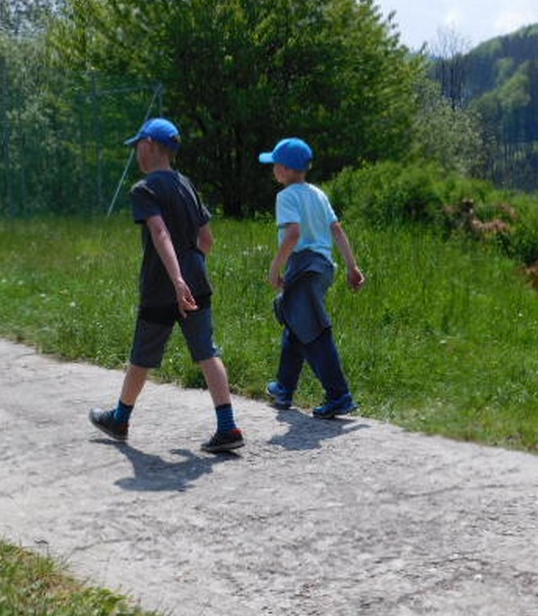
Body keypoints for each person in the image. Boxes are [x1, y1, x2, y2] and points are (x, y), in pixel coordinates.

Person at [89, 117, 244, 453]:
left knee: (142, 357)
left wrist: (176, 279)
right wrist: (190, 270)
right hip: (196, 283)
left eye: (137, 146)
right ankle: (228, 427)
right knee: (207, 352)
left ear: (150, 145)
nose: (136, 153)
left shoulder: (145, 189)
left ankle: (120, 419)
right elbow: (207, 240)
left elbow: (160, 232)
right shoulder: (186, 184)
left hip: (162, 287)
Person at [259, 137, 365, 418]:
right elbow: (337, 230)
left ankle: (339, 395)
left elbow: (293, 234)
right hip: (324, 266)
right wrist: (352, 267)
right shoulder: (318, 194)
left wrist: (275, 268)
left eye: (274, 165)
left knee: (314, 329)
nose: (272, 170)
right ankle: (284, 387)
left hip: (304, 266)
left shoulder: (286, 196)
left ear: (284, 169)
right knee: (296, 321)